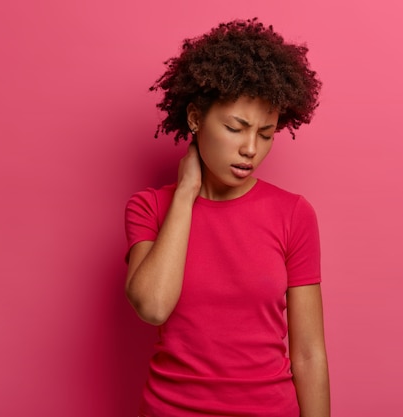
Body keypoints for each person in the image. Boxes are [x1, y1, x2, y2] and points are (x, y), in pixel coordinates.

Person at [124, 18, 330, 417]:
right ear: (196, 118)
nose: (251, 148)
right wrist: (186, 194)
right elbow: (152, 306)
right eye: (236, 128)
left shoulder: (294, 214)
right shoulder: (149, 207)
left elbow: (308, 353)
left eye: (266, 134)